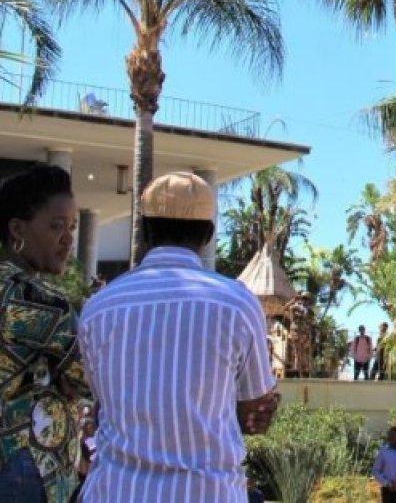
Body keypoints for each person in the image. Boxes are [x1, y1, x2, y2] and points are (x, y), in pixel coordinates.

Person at [78, 171, 280, 502]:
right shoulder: (236, 304)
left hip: (116, 491)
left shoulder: (100, 307)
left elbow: (102, 401)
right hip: (207, 492)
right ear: (209, 235)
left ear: (144, 230)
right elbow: (253, 412)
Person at [0, 164, 89, 503]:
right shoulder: (43, 302)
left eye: (72, 227)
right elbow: (90, 378)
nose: (68, 238)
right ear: (17, 229)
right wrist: (60, 378)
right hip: (26, 463)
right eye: (56, 226)